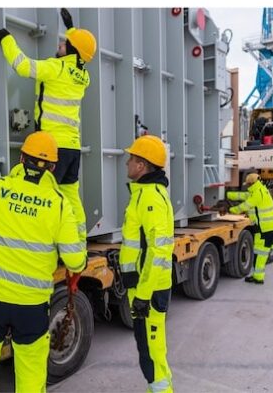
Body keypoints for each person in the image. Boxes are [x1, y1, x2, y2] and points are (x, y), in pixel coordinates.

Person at [0, 131, 85, 393]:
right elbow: (75, 261)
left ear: (21, 159)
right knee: (31, 376)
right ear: (52, 168)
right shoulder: (59, 205)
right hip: (31, 307)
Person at [0, 15, 95, 242]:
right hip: (72, 148)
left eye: (64, 43)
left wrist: (6, 39)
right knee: (71, 197)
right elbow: (79, 54)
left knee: (42, 196)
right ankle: (79, 242)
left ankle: (40, 241)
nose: (59, 45)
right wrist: (71, 29)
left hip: (51, 149)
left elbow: (22, 66)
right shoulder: (84, 77)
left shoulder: (56, 67)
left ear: (71, 50)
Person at [120, 134, 175, 393]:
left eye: (131, 159)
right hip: (143, 285)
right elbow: (137, 243)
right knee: (151, 351)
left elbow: (158, 251)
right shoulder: (143, 193)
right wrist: (128, 274)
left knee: (151, 356)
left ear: (141, 165)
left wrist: (142, 294)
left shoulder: (150, 197)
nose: (127, 163)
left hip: (149, 289)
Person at [225, 172, 273, 286]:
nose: (247, 186)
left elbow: (245, 206)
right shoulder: (260, 190)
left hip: (265, 229)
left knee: (261, 254)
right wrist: (227, 194)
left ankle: (259, 277)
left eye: (248, 184)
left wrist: (229, 210)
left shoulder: (257, 194)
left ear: (251, 183)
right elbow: (243, 196)